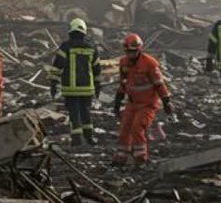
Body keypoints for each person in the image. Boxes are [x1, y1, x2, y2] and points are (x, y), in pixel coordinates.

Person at [113, 34, 174, 165]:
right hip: (132, 103)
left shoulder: (150, 63)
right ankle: (120, 158)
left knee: (137, 128)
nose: (130, 55)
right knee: (124, 129)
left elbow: (159, 84)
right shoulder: (123, 63)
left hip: (148, 104)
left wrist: (166, 101)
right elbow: (123, 83)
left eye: (133, 52)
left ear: (139, 49)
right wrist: (118, 101)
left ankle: (141, 158)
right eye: (128, 52)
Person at [48, 18, 102, 147]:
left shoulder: (66, 47)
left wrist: (53, 84)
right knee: (86, 113)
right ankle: (89, 138)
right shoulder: (91, 47)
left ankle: (77, 139)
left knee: (74, 113)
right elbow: (97, 70)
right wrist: (98, 87)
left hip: (70, 88)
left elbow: (57, 66)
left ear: (70, 31)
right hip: (87, 88)